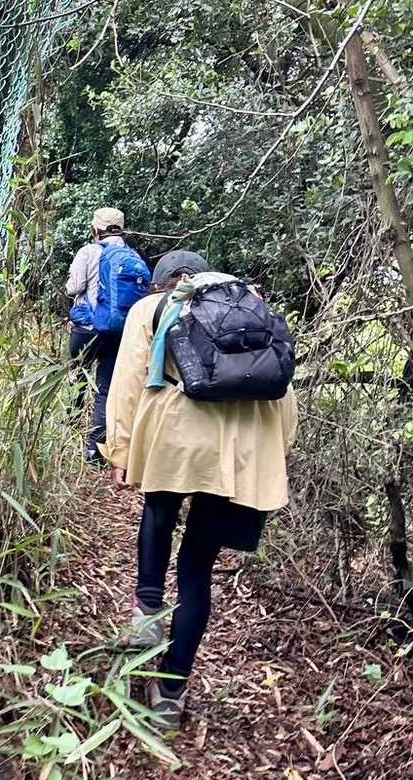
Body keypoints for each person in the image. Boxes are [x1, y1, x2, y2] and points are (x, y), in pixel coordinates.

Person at [102, 249, 298, 731]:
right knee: (196, 568)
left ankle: (147, 611)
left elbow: (128, 381)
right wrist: (273, 452)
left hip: (177, 431)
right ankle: (171, 693)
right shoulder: (252, 304)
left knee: (159, 510)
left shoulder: (152, 308)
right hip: (243, 446)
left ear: (163, 282)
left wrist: (120, 449)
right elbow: (281, 387)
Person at [65, 207, 150, 464]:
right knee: (105, 389)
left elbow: (75, 287)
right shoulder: (133, 256)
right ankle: (95, 450)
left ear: (96, 229)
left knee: (77, 375)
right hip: (117, 331)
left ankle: (70, 432)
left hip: (87, 329)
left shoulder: (88, 251)